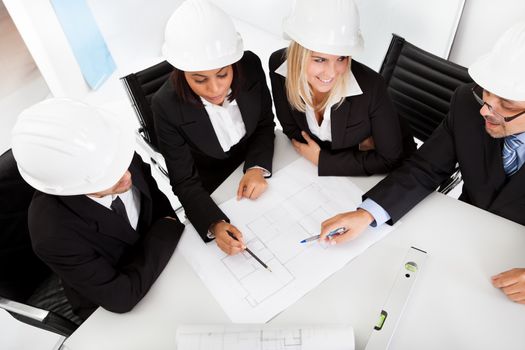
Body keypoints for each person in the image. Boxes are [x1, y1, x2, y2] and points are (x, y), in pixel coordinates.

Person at [319, 22, 525, 304]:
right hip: (462, 240)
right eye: (486, 93)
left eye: (508, 105)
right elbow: (425, 167)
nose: (485, 110)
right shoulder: (466, 103)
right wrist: (368, 214)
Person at [11, 98, 185, 321]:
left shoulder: (112, 155)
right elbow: (121, 298)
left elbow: (159, 205)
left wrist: (167, 226)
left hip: (159, 267)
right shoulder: (52, 234)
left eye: (118, 164)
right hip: (109, 305)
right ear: (69, 186)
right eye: (106, 178)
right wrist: (167, 229)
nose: (126, 176)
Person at [152, 0, 275, 255]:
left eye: (222, 74)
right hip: (212, 187)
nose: (215, 89)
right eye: (200, 80)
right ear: (182, 72)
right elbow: (184, 181)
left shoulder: (250, 66)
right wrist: (214, 223)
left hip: (253, 170)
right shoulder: (165, 105)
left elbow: (264, 123)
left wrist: (255, 167)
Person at [269, 0, 415, 177]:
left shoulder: (372, 87)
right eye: (319, 59)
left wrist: (324, 160)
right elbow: (292, 130)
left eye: (341, 58)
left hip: (392, 174)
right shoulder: (280, 67)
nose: (331, 73)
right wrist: (357, 151)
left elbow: (389, 158)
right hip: (322, 171)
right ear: (298, 54)